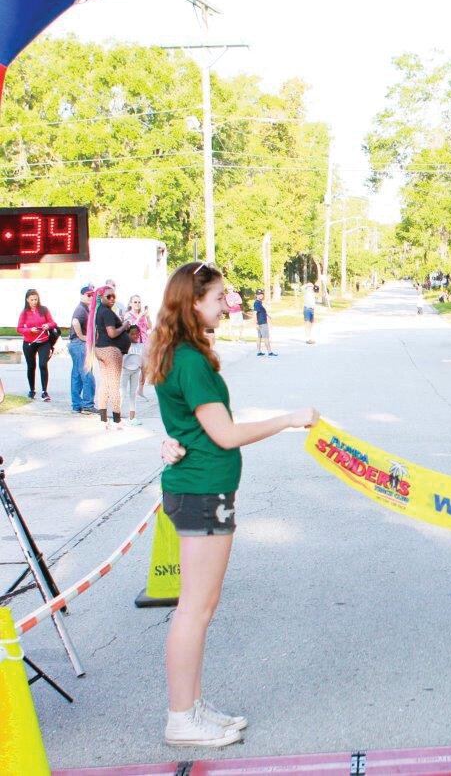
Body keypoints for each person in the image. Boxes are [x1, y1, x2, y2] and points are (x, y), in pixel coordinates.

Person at [151, 261, 317, 747]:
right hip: (201, 493)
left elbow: (184, 426)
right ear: (193, 301)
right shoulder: (190, 360)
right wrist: (288, 419)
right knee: (194, 609)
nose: (228, 304)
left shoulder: (182, 354)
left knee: (200, 607)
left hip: (203, 490)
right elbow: (224, 435)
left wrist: (174, 442)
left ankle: (193, 706)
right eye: (220, 297)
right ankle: (181, 717)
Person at [91, 285, 130, 430]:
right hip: (111, 350)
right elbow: (112, 333)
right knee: (114, 384)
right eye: (109, 296)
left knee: (105, 383)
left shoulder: (99, 311)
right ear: (101, 297)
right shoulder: (106, 312)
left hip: (100, 349)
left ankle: (103, 419)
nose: (112, 299)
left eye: (114, 296)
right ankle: (117, 420)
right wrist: (125, 325)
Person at [18, 288, 58, 401]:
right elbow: (19, 328)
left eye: (36, 299)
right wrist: (30, 330)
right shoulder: (24, 313)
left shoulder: (44, 310)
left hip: (44, 342)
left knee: (42, 365)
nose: (34, 301)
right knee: (31, 367)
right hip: (29, 343)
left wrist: (48, 326)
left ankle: (45, 391)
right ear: (27, 300)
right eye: (32, 299)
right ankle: (32, 390)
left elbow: (53, 322)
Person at [68, 285, 97, 414]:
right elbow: (75, 322)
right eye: (88, 295)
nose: (90, 297)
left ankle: (77, 404)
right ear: (82, 295)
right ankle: (87, 404)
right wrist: (82, 337)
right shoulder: (81, 309)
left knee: (77, 376)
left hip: (76, 345)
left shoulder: (85, 308)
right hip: (79, 344)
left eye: (92, 295)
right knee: (87, 375)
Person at [124, 294, 152, 400]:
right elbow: (131, 327)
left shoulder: (143, 314)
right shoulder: (128, 315)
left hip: (144, 342)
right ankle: (133, 390)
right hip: (133, 344)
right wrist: (140, 316)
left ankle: (140, 390)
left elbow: (150, 326)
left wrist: (148, 317)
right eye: (135, 302)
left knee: (145, 368)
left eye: (139, 302)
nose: (137, 304)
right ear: (131, 303)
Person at [120, 325, 145, 425]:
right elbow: (120, 358)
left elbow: (143, 361)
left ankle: (132, 417)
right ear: (127, 334)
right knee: (122, 393)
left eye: (137, 333)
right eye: (132, 334)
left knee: (133, 393)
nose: (135, 336)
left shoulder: (141, 346)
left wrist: (143, 374)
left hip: (136, 371)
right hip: (124, 371)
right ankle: (117, 416)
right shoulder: (124, 345)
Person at [252, 290, 276, 357]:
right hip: (262, 323)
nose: (261, 295)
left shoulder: (259, 303)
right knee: (266, 338)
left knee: (259, 337)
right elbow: (254, 313)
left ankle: (259, 352)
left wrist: (268, 316)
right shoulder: (257, 303)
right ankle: (270, 352)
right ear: (256, 295)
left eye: (262, 294)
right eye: (259, 294)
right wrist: (255, 323)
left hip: (261, 322)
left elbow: (261, 311)